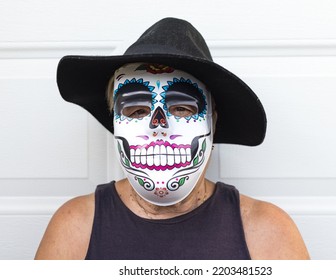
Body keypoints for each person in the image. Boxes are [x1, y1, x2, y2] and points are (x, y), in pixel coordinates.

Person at [35, 17, 309, 260]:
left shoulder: (268, 231)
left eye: (182, 107)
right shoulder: (75, 226)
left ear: (212, 120)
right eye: (137, 110)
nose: (158, 124)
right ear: (116, 121)